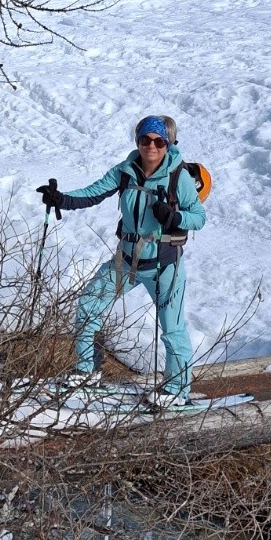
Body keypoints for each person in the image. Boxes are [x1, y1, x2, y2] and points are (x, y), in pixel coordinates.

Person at [37, 115, 205, 398]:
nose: (151, 146)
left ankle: (177, 390)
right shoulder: (125, 170)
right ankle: (87, 372)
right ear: (137, 141)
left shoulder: (179, 177)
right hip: (126, 261)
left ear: (168, 144)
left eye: (158, 141)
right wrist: (61, 199)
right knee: (90, 303)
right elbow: (94, 193)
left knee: (172, 328)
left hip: (165, 265)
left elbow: (199, 218)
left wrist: (174, 216)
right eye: (145, 140)